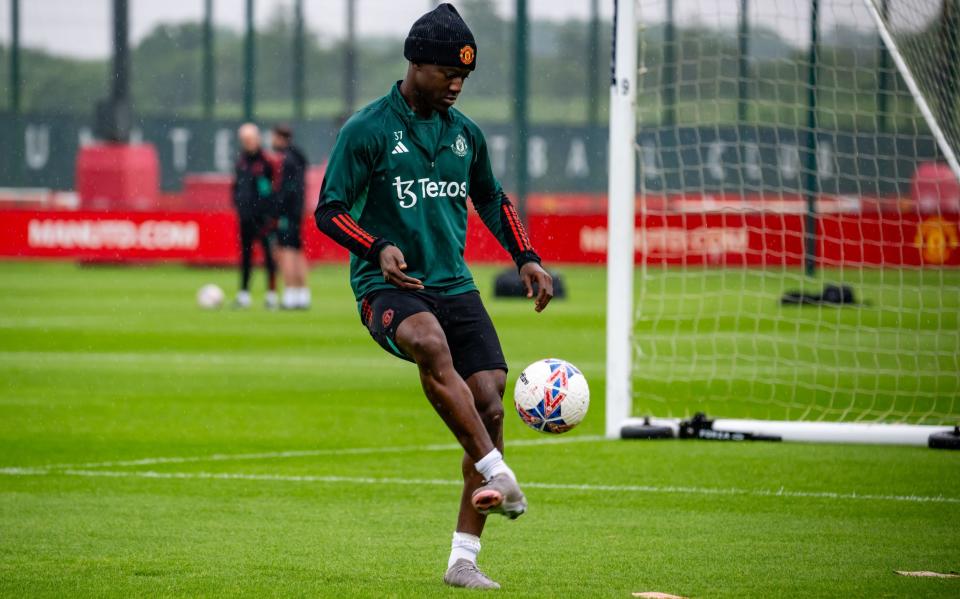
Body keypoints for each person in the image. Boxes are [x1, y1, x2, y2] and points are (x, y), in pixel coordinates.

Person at [314, 3, 553, 590]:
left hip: (454, 284)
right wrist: (377, 248)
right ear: (415, 64)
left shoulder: (465, 134)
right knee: (427, 341)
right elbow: (329, 210)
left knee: (491, 402)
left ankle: (463, 561)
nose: (457, 84)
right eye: (448, 72)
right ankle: (500, 471)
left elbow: (493, 200)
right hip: (387, 286)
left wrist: (526, 255)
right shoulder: (366, 129)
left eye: (465, 77)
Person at [232, 123, 281, 309]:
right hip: (245, 217)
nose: (247, 142)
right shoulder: (241, 162)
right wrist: (238, 204)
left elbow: (275, 188)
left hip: (265, 218)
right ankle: (244, 293)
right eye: (244, 139)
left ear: (257, 139)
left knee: (269, 256)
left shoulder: (267, 161)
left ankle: (271, 294)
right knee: (245, 256)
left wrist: (272, 213)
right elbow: (237, 187)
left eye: (250, 138)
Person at [271, 125, 311, 310]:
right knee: (296, 250)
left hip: (288, 212)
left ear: (279, 138)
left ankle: (290, 295)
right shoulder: (298, 157)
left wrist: (278, 210)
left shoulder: (285, 160)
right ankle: (302, 295)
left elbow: (286, 190)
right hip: (297, 211)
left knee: (285, 251)